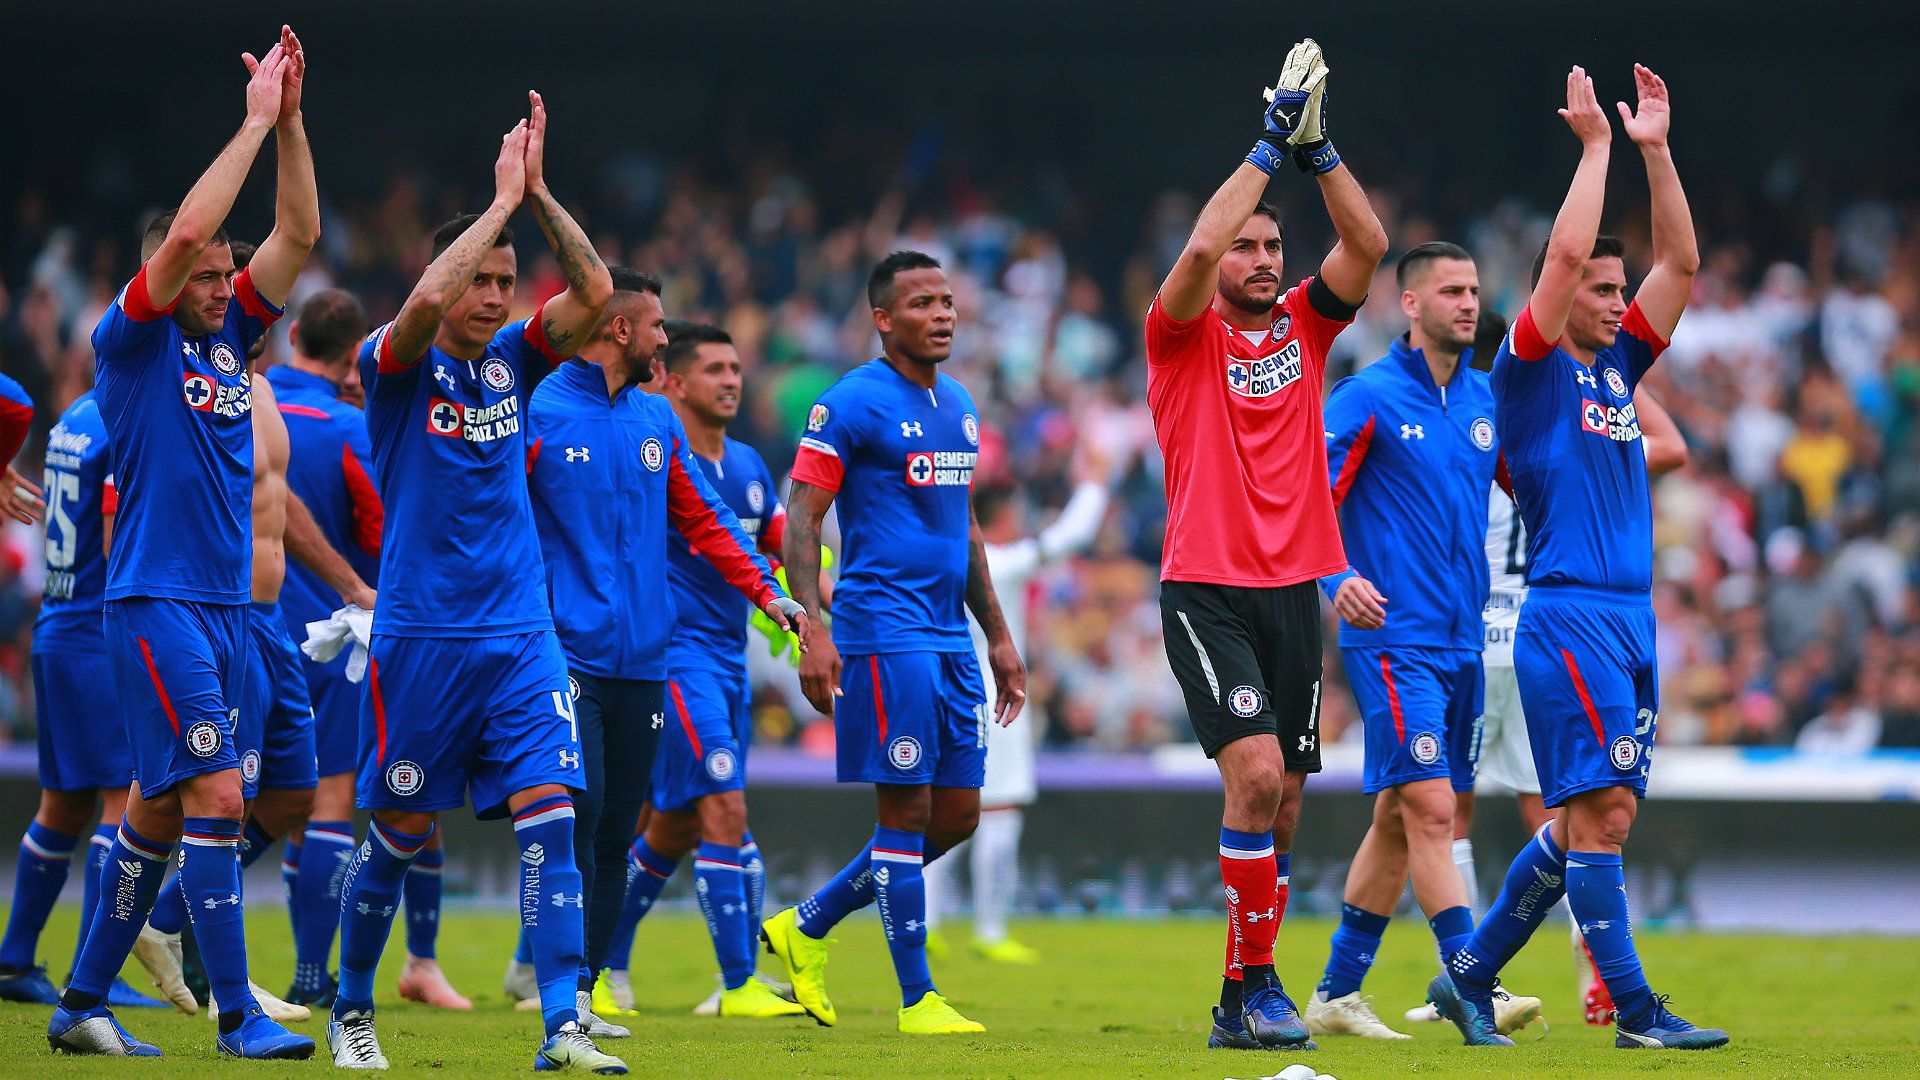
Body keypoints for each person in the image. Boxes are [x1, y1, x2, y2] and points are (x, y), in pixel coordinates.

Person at [1428, 65, 1729, 1051]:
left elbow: (1680, 266)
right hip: (1567, 614)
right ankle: (1636, 1012)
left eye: (1616, 289)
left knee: (1591, 824)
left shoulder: (1614, 369)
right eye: (1601, 289)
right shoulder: (1523, 371)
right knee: (1597, 818)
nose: (1615, 300)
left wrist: (1654, 150)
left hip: (1628, 617)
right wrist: (1596, 149)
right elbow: (1561, 256)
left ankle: (1468, 978)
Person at [325, 93, 626, 1073]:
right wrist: (492, 209)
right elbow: (417, 310)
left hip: (520, 636)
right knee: (400, 831)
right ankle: (351, 1006)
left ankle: (560, 1026)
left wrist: (535, 194)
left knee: (552, 815)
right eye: (482, 280)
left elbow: (593, 292)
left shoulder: (513, 363)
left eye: (505, 282)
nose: (497, 296)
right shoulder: (394, 364)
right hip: (421, 637)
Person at [49, 27, 319, 1060]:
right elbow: (188, 237)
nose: (224, 289)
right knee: (218, 794)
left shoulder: (222, 333)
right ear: (170, 272)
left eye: (226, 279)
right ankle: (239, 1011)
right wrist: (249, 122)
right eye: (207, 275)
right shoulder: (133, 337)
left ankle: (80, 1003)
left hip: (226, 609)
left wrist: (291, 124)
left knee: (154, 816)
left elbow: (297, 227)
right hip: (155, 599)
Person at [1142, 39, 1387, 1050]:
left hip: (1294, 589)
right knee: (1251, 776)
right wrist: (1265, 142)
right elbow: (1195, 255)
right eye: (1249, 246)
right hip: (1206, 585)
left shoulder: (1304, 327)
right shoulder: (1180, 330)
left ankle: (1242, 998)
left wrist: (1319, 152)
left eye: (1271, 249)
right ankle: (1260, 982)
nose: (1260, 261)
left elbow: (1368, 248)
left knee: (1284, 801)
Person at [519, 281, 805, 1033]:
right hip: (567, 655)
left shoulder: (655, 419)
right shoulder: (540, 411)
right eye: (653, 326)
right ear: (620, 329)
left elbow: (705, 520)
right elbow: (494, 515)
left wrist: (767, 594)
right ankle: (544, 985)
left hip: (642, 661)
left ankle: (582, 994)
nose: (661, 339)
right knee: (571, 823)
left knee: (621, 832)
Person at [760, 250, 1028, 1036]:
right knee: (906, 812)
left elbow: (966, 526)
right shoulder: (851, 404)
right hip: (885, 630)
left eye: (947, 301)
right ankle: (918, 1000)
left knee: (960, 817)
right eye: (921, 303)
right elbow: (803, 515)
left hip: (950, 637)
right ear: (883, 318)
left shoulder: (961, 406)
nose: (942, 314)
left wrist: (1001, 637)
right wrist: (812, 627)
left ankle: (805, 924)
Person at [130, 246, 374, 1025]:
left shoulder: (256, 393)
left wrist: (346, 582)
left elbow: (280, 509)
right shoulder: (181, 390)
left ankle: (169, 921)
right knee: (211, 800)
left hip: (270, 624)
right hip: (214, 613)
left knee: (295, 791)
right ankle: (213, 984)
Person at [1304, 242, 1542, 1041]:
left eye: (1474, 290)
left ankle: (1336, 992)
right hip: (1391, 639)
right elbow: (1310, 501)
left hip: (1462, 644)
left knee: (1400, 819)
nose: (1469, 303)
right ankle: (1472, 988)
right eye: (1451, 291)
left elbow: (1535, 495)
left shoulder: (1484, 402)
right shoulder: (1365, 395)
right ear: (1410, 304)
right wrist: (1337, 582)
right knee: (1436, 810)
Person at [1405, 383, 1686, 1030]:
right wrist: (1622, 382)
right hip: (1554, 630)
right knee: (1570, 811)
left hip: (1478, 634)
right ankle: (1597, 986)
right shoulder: (1584, 455)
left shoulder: (1476, 443)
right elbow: (1671, 447)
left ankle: (1469, 971)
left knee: (1461, 815)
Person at [268, 288, 470, 1009]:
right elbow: (392, 534)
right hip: (335, 632)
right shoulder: (350, 427)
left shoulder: (247, 403)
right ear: (355, 353)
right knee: (336, 803)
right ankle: (314, 974)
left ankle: (192, 940)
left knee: (242, 801)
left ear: (294, 336)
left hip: (240, 625)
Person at [2, 382, 167, 1010]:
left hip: (58, 624)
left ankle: (14, 961)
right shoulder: (130, 417)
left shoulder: (75, 413)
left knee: (62, 806)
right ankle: (92, 974)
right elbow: (111, 535)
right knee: (120, 803)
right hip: (99, 636)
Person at [921, 452, 1113, 965]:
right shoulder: (996, 563)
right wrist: (1093, 485)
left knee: (949, 808)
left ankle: (929, 921)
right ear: (992, 519)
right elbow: (1068, 539)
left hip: (945, 692)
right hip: (995, 697)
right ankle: (988, 929)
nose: (1018, 523)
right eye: (1011, 515)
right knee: (997, 812)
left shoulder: (937, 559)